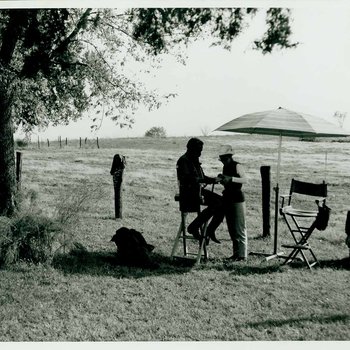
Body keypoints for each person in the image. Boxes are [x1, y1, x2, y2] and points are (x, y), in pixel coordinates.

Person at [176, 138, 222, 243]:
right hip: (188, 193)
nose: (200, 153)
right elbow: (190, 179)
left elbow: (201, 177)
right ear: (190, 148)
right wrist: (209, 180)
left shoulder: (193, 159)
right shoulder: (184, 160)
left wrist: (213, 179)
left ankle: (210, 230)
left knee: (223, 202)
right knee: (218, 203)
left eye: (201, 150)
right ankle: (194, 227)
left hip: (196, 191)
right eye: (198, 150)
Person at [218, 144, 248, 261]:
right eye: (222, 160)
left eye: (225, 159)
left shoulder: (237, 166)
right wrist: (223, 180)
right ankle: (236, 253)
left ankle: (242, 255)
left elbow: (245, 180)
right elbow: (227, 182)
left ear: (230, 157)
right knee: (232, 228)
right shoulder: (225, 167)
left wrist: (231, 179)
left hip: (237, 198)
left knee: (240, 227)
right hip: (228, 197)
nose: (223, 162)